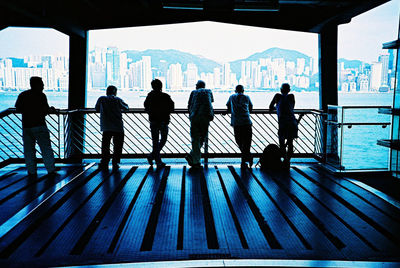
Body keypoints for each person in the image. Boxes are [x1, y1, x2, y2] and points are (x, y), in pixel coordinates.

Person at [15, 76, 56, 176]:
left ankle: (32, 171)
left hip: (27, 126)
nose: (43, 86)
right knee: (45, 149)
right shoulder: (41, 96)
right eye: (42, 83)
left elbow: (18, 108)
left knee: (29, 150)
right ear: (37, 85)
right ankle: (50, 170)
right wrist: (50, 110)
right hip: (39, 125)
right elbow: (45, 110)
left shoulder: (23, 95)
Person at [95, 85, 129, 170]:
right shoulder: (118, 100)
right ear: (115, 92)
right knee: (118, 145)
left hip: (106, 126)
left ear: (107, 91)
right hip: (117, 126)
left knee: (105, 145)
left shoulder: (101, 99)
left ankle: (105, 161)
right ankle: (115, 162)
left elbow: (97, 109)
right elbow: (126, 108)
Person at [144, 79, 174, 168]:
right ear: (161, 86)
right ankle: (155, 159)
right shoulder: (165, 96)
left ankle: (154, 157)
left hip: (153, 121)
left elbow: (146, 106)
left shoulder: (150, 96)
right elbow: (172, 107)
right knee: (163, 139)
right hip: (164, 121)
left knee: (155, 141)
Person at [185, 80, 214, 168]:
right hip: (205, 116)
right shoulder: (209, 91)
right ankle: (193, 157)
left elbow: (189, 104)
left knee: (195, 138)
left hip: (194, 116)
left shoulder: (193, 92)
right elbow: (211, 102)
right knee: (203, 137)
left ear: (197, 86)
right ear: (204, 86)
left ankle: (194, 159)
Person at [269, 83, 298, 168]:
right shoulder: (291, 96)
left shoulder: (277, 96)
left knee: (282, 143)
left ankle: (284, 159)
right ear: (289, 90)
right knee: (290, 142)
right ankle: (287, 161)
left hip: (283, 123)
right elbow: (291, 107)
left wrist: (277, 108)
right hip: (292, 122)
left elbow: (270, 107)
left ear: (280, 90)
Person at [226, 85, 253, 167]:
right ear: (243, 90)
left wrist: (229, 111)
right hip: (246, 122)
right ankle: (247, 157)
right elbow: (251, 107)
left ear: (235, 90)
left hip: (236, 122)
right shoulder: (247, 97)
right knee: (247, 142)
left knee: (239, 141)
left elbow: (228, 107)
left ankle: (246, 158)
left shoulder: (232, 97)